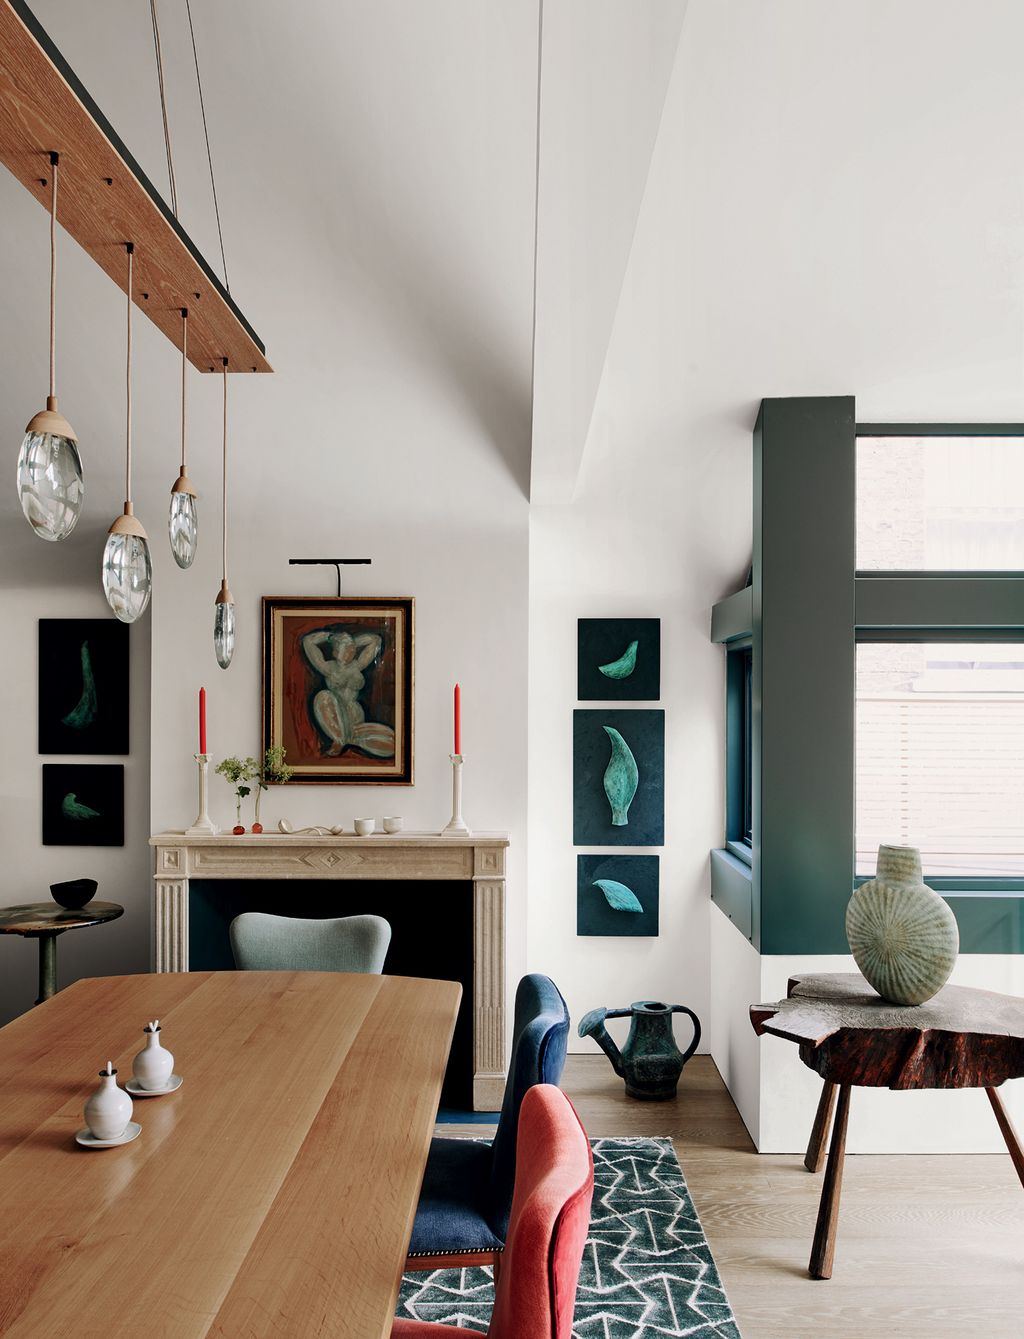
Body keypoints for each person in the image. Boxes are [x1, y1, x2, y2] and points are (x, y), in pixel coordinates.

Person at [301, 628, 395, 758]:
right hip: (335, 716)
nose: (348, 653)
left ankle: (350, 739)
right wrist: (331, 637)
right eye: (343, 650)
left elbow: (375, 640)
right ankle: (340, 739)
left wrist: (351, 641)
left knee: (393, 742)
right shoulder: (328, 668)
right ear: (335, 652)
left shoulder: (357, 666)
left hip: (354, 716)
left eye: (351, 650)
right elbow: (308, 641)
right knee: (323, 696)